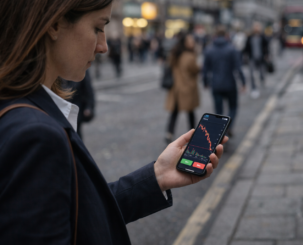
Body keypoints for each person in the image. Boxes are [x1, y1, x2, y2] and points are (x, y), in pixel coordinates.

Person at [0, 1, 228, 244]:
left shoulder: (18, 107)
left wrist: (157, 176)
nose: (104, 46)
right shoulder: (36, 137)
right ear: (54, 24)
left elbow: (82, 214)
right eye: (98, 28)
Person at [203, 26, 246, 137]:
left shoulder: (209, 49)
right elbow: (238, 67)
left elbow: (205, 69)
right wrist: (243, 82)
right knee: (233, 107)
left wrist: (205, 82)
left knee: (218, 111)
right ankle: (228, 127)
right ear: (226, 35)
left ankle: (221, 131)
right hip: (230, 84)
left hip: (216, 84)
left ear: (215, 36)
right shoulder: (232, 49)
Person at [165, 33, 200, 143]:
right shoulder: (190, 56)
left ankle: (169, 133)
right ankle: (193, 133)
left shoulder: (175, 54)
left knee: (174, 112)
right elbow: (195, 70)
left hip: (176, 88)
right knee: (190, 112)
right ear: (185, 43)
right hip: (187, 88)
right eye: (191, 41)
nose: (193, 43)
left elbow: (169, 66)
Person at [64, 70, 95, 139]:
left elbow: (88, 88)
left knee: (76, 133)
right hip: (64, 107)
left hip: (76, 107)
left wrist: (88, 107)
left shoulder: (81, 68)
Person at [244, 22, 269, 99]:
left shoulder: (262, 37)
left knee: (262, 73)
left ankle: (262, 83)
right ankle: (253, 88)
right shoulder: (250, 37)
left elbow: (266, 46)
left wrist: (267, 55)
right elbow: (246, 48)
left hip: (261, 58)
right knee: (251, 74)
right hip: (252, 58)